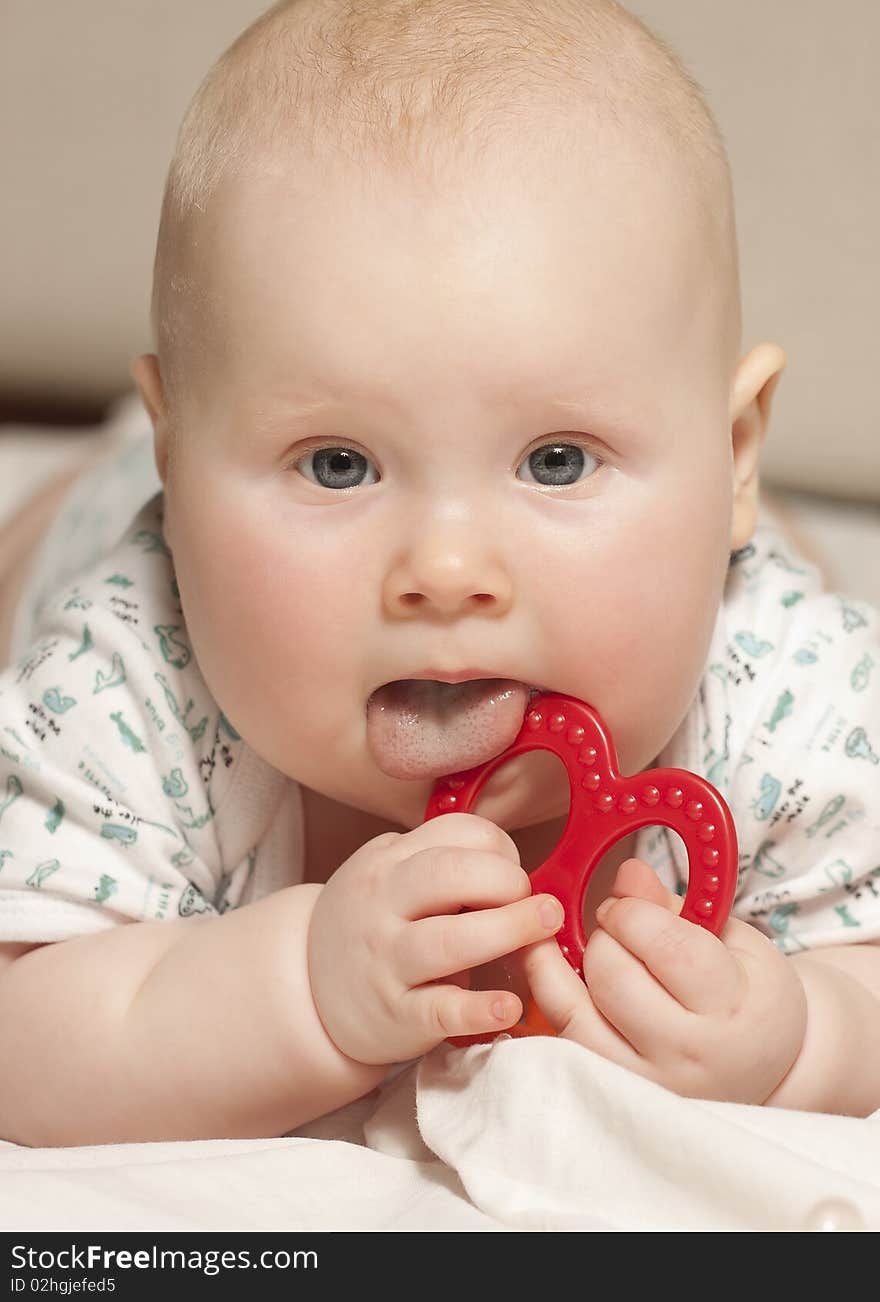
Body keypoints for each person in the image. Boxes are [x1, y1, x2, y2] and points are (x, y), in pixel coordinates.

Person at [0, 0, 878, 1148]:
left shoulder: (784, 693)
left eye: (556, 461)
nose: (447, 571)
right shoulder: (130, 687)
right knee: (42, 540)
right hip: (111, 523)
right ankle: (101, 478)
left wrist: (802, 1042)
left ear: (732, 456)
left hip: (737, 560)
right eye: (337, 462)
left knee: (769, 573)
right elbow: (27, 1038)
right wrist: (299, 997)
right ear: (185, 456)